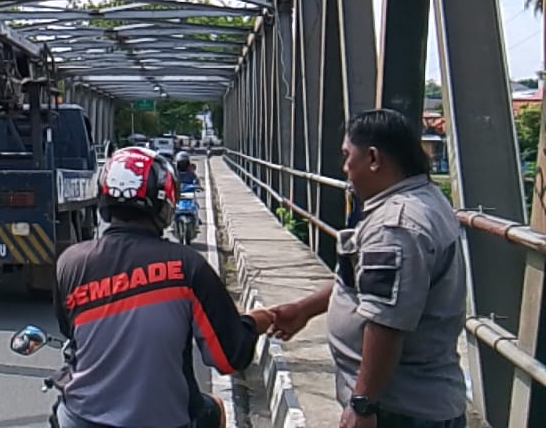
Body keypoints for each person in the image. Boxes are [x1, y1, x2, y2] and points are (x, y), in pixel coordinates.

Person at [268, 109, 467, 428]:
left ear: (373, 158)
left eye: (348, 156)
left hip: (400, 411)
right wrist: (305, 309)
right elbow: (369, 284)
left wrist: (362, 403)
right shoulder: (425, 199)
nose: (344, 168)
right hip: (413, 405)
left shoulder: (395, 227)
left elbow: (386, 323)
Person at [53, 146, 274, 428]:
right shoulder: (188, 267)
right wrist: (252, 323)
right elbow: (229, 358)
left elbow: (68, 330)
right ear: (166, 200)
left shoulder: (70, 264)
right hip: (166, 421)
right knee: (214, 409)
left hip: (79, 420)